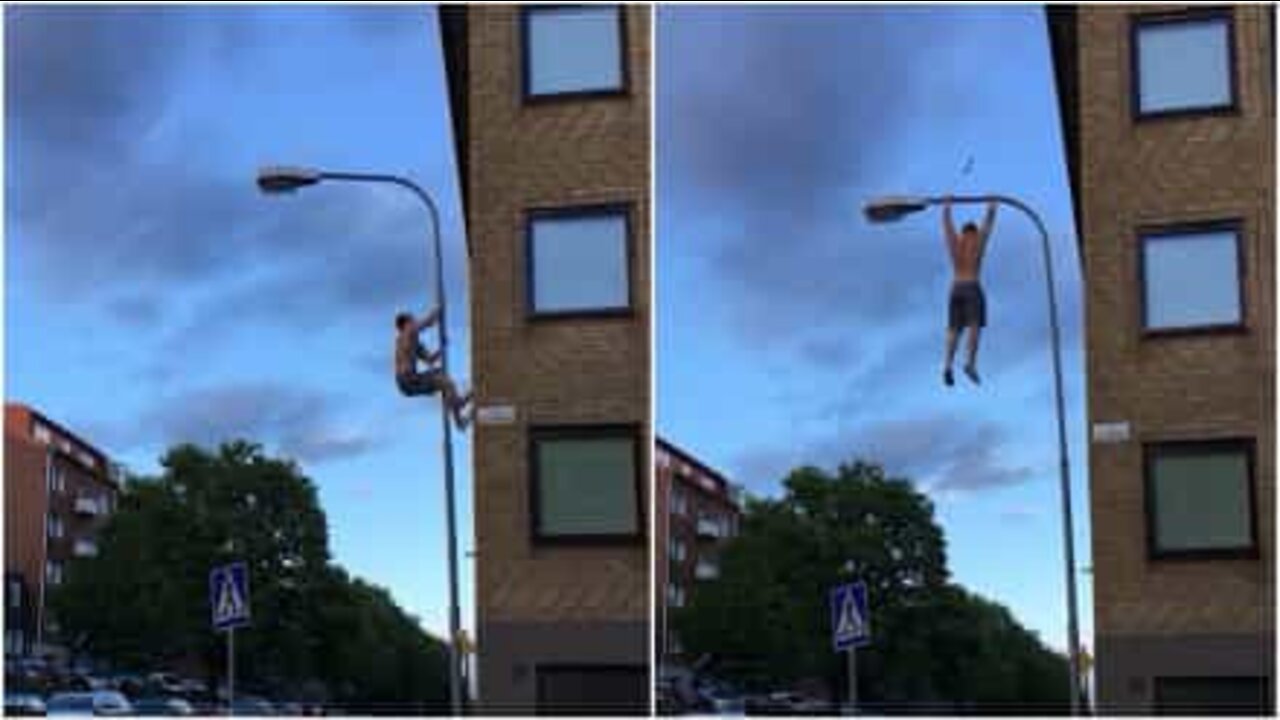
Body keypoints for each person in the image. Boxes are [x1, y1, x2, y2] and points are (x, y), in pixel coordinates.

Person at [942, 197, 997, 387]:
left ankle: (947, 364)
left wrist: (946, 208)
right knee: (974, 326)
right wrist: (991, 207)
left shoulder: (955, 244)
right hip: (972, 286)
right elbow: (988, 225)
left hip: (955, 288)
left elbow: (947, 228)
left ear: (962, 233)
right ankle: (970, 363)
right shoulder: (978, 243)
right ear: (973, 233)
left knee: (954, 330)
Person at [394, 307, 472, 428]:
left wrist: (442, 347)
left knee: (442, 376)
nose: (415, 321)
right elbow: (428, 322)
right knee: (444, 381)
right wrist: (438, 311)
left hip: (411, 381)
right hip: (407, 379)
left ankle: (458, 417)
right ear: (406, 324)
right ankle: (458, 405)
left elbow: (430, 359)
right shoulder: (405, 335)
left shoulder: (415, 343)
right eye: (412, 320)